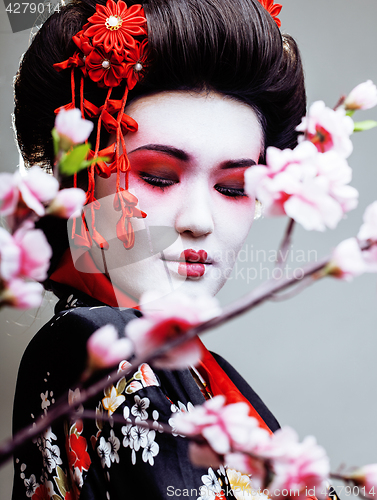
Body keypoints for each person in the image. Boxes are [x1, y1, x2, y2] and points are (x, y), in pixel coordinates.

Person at [12, 0, 306, 498]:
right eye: (157, 177)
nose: (198, 220)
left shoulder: (188, 367)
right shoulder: (104, 344)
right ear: (82, 182)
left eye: (233, 187)